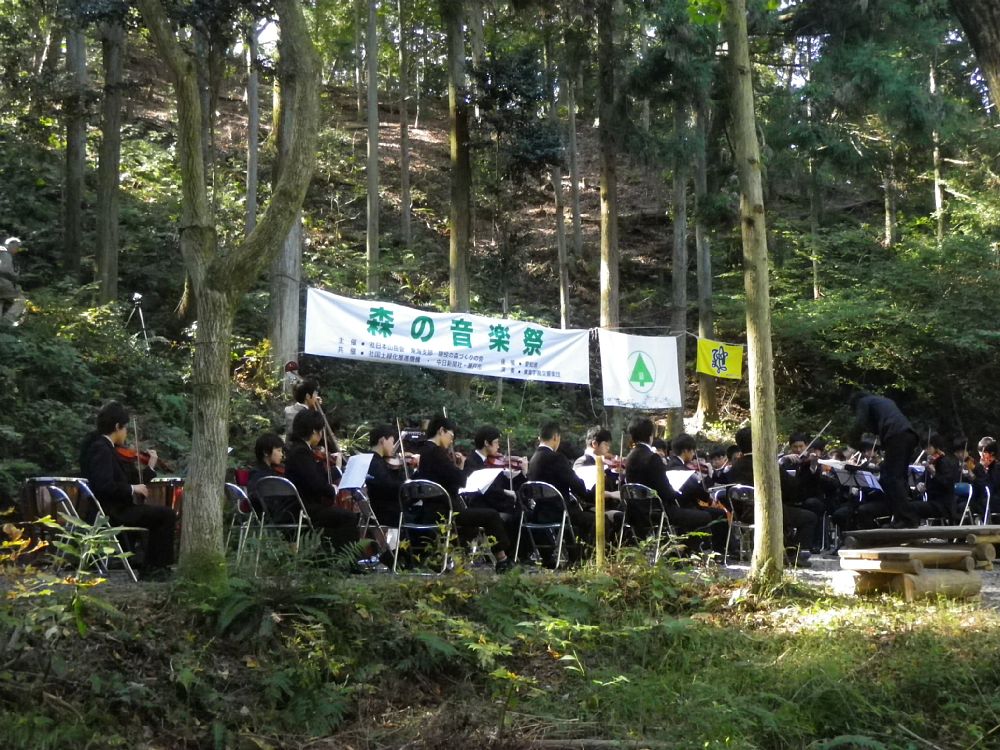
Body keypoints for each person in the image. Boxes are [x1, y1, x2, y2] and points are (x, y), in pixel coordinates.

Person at [79, 401, 176, 575]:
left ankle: (151, 565)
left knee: (159, 514)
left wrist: (150, 469)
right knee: (166, 515)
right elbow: (104, 486)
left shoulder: (105, 448)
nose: (126, 434)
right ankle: (155, 568)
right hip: (112, 511)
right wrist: (132, 489)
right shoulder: (101, 449)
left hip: (115, 508)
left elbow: (128, 480)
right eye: (125, 429)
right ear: (117, 426)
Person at [413, 416, 514, 572]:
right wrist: (461, 466)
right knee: (491, 515)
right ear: (441, 431)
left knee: (471, 525)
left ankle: (457, 560)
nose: (451, 441)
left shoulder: (424, 451)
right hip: (446, 510)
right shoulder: (437, 453)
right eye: (451, 436)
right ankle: (503, 560)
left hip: (431, 509)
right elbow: (460, 480)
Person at [624, 419, 726, 553]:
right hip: (656, 510)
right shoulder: (652, 458)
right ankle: (689, 554)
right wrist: (677, 493)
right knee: (704, 516)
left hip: (636, 509)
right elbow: (665, 491)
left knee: (692, 512)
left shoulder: (630, 457)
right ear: (651, 435)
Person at [725, 425, 817, 564]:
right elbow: (792, 488)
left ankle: (785, 549)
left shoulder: (735, 467)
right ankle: (793, 554)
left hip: (743, 514)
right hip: (769, 512)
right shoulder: (767, 465)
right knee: (809, 517)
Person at [283, 409, 359, 551]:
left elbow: (314, 478)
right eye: (320, 431)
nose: (321, 435)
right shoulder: (301, 452)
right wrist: (332, 489)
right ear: (313, 431)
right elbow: (315, 484)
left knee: (338, 515)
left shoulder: (298, 450)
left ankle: (330, 558)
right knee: (348, 517)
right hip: (303, 509)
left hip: (302, 506)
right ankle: (345, 561)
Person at [849, 392, 920, 527]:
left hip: (896, 436)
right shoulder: (882, 401)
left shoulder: (863, 401)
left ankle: (907, 518)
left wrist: (852, 442)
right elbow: (876, 426)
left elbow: (860, 423)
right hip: (909, 435)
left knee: (891, 478)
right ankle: (901, 517)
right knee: (895, 477)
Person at [526, 422, 598, 543]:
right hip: (558, 512)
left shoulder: (533, 459)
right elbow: (575, 484)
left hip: (539, 512)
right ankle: (586, 557)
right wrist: (590, 495)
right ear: (555, 437)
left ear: (540, 438)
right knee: (598, 520)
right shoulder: (557, 458)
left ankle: (572, 555)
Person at [911, 433, 961, 523]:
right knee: (910, 504)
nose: (926, 450)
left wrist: (934, 473)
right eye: (925, 448)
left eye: (929, 447)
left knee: (914, 507)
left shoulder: (945, 462)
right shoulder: (931, 463)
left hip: (944, 505)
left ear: (936, 447)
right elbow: (921, 479)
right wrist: (918, 485)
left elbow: (947, 484)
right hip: (933, 502)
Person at [364, 423, 406, 526]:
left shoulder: (371, 459)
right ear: (382, 440)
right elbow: (392, 488)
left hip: (382, 510)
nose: (393, 446)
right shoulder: (376, 463)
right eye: (392, 442)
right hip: (387, 514)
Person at [247, 432, 285, 514]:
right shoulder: (259, 474)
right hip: (271, 513)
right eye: (278, 450)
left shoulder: (268, 471)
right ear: (266, 452)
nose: (281, 454)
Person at [0, 236, 25, 324]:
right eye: (17, 247)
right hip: (3, 283)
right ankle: (7, 321)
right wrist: (14, 276)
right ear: (12, 246)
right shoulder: (5, 254)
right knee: (21, 300)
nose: (17, 250)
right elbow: (4, 270)